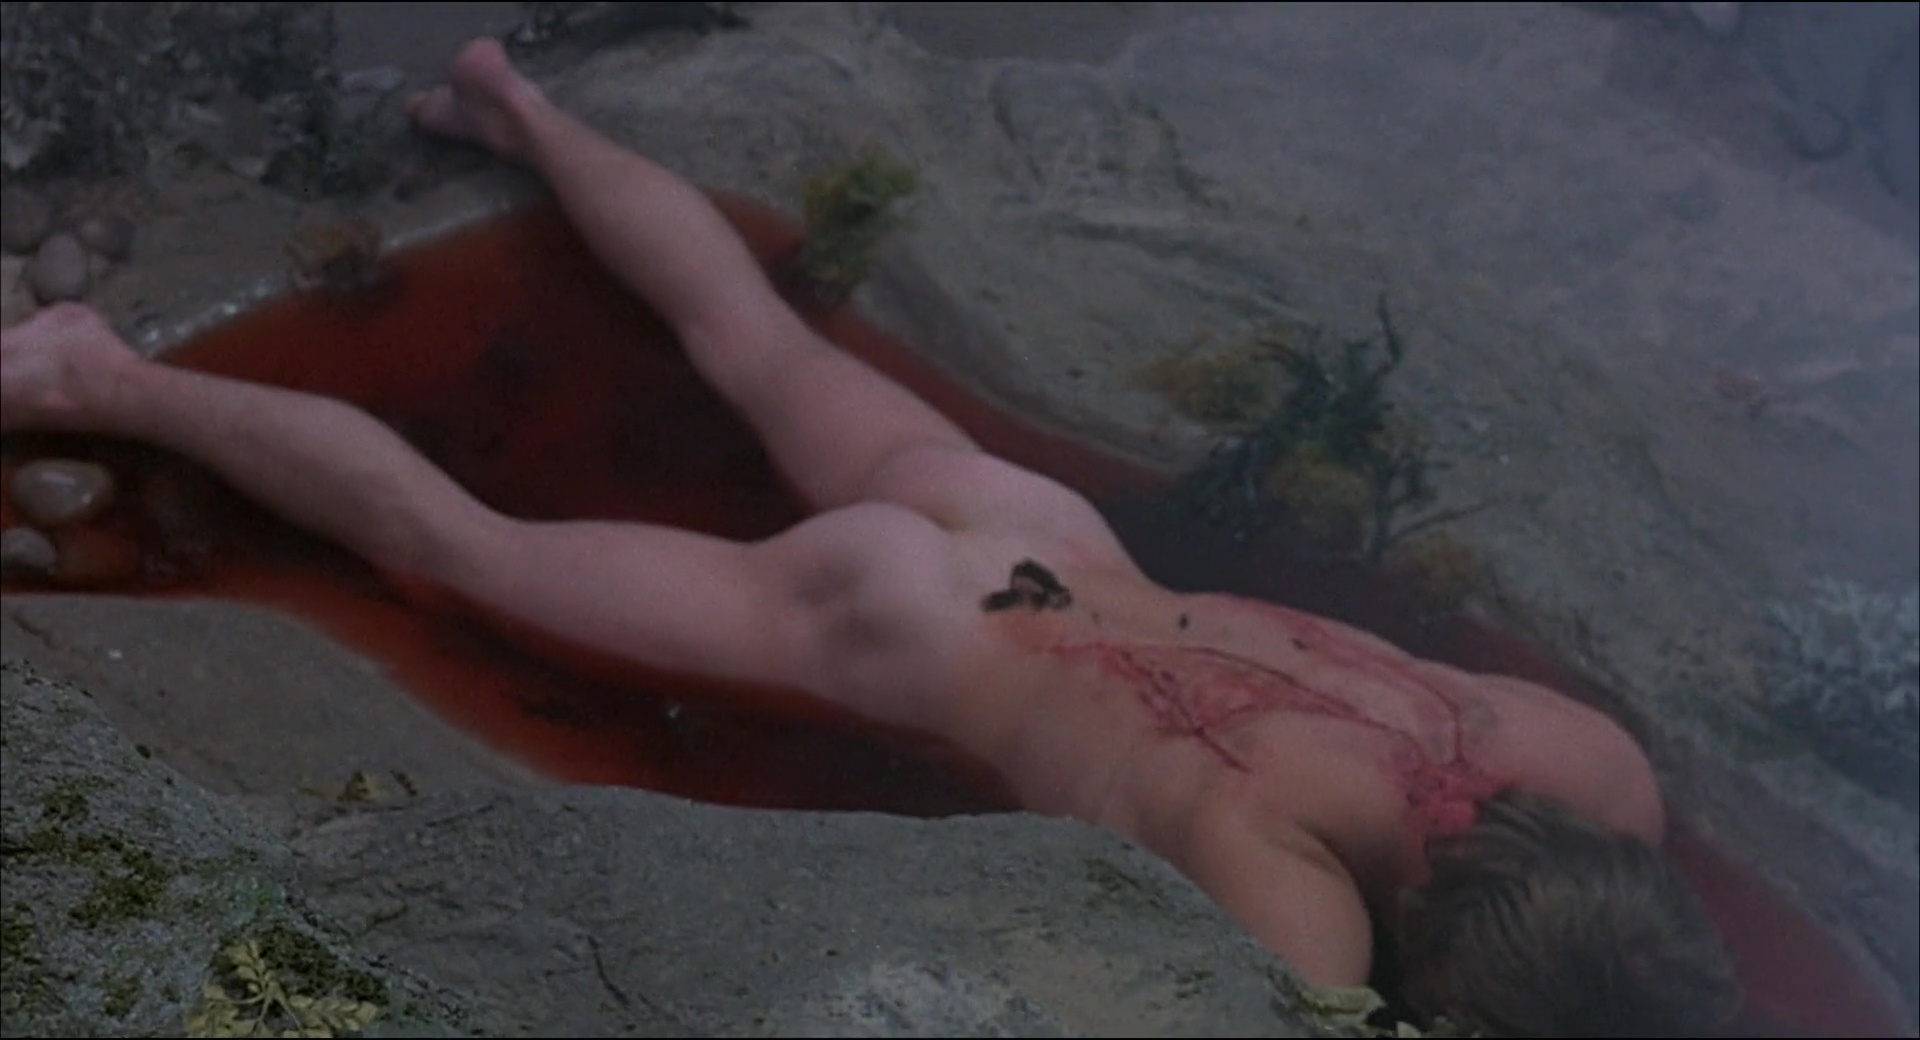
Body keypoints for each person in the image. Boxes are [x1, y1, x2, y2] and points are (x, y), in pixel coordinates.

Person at [0, 38, 1741, 1037]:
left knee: (752, 338)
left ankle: (506, 100)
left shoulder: (1578, 762)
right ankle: (100, 374)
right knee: (457, 545)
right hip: (897, 626)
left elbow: (1610, 860)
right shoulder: (1301, 903)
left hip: (1032, 533)